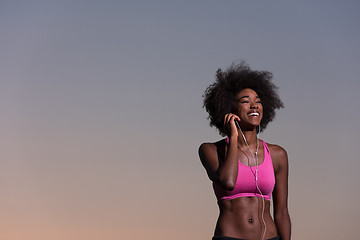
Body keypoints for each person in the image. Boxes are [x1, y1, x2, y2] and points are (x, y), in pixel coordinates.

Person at [199, 62, 291, 240]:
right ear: (229, 110)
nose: (254, 106)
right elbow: (228, 181)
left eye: (258, 101)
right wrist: (233, 136)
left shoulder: (278, 155)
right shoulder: (211, 150)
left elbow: (281, 212)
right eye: (245, 101)